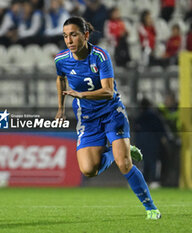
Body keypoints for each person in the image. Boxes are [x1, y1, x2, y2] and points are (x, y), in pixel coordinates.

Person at [54, 16, 161, 220]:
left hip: (111, 113)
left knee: (124, 164)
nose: (69, 40)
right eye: (65, 36)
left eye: (74, 35)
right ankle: (116, 149)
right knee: (88, 170)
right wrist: (60, 108)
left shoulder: (100, 56)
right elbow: (60, 78)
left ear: (85, 35)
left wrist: (82, 95)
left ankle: (151, 208)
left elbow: (109, 91)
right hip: (87, 118)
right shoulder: (61, 60)